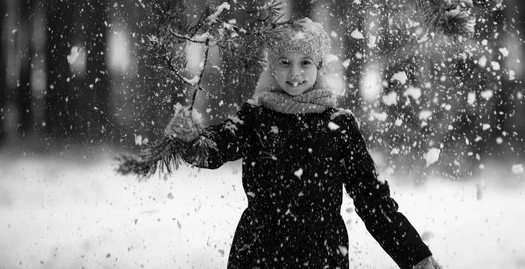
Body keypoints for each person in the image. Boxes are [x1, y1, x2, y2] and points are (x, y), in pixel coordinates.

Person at [143, 18, 444, 269]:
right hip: (258, 254)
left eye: (305, 62)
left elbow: (371, 198)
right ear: (272, 67)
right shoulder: (256, 117)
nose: (295, 73)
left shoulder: (339, 125)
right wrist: (190, 138)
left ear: (320, 67)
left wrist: (414, 255)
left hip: (323, 255)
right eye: (285, 62)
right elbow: (214, 149)